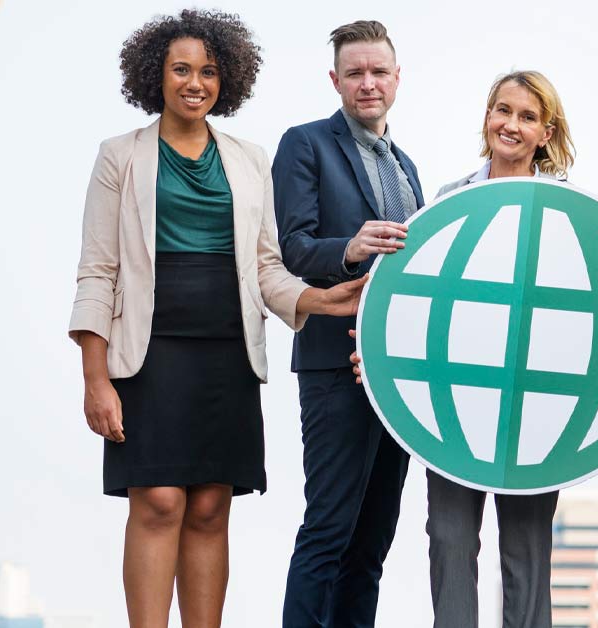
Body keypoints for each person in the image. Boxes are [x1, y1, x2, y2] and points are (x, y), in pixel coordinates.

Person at [67, 10, 366, 628]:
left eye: (207, 71)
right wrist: (96, 378)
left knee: (209, 508)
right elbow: (97, 271)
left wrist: (322, 298)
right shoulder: (118, 156)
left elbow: (267, 269)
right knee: (157, 502)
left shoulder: (250, 159)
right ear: (157, 76)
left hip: (228, 351)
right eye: (181, 70)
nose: (195, 83)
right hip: (148, 354)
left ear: (226, 78)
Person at [271, 20, 423, 628]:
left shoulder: (408, 165)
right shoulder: (304, 143)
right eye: (354, 73)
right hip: (336, 364)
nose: (367, 84)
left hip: (398, 372)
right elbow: (293, 248)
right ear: (335, 80)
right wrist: (350, 247)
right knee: (328, 530)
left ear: (396, 79)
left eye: (378, 72)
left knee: (372, 545)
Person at [426, 70, 574, 628]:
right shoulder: (449, 201)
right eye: (502, 110)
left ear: (546, 132)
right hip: (457, 405)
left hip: (535, 408)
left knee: (528, 548)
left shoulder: (565, 210)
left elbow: (583, 308)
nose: (511, 125)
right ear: (487, 115)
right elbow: (423, 303)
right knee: (449, 539)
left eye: (527, 116)